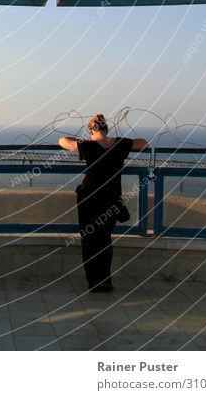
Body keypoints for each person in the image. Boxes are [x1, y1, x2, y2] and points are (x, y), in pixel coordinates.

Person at [59, 114, 149, 293]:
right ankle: (106, 280)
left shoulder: (88, 146)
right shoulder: (120, 144)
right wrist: (114, 140)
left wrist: (83, 140)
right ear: (106, 128)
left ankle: (94, 282)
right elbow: (144, 143)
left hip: (89, 198)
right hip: (111, 199)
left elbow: (63, 141)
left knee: (89, 239)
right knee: (104, 239)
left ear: (92, 131)